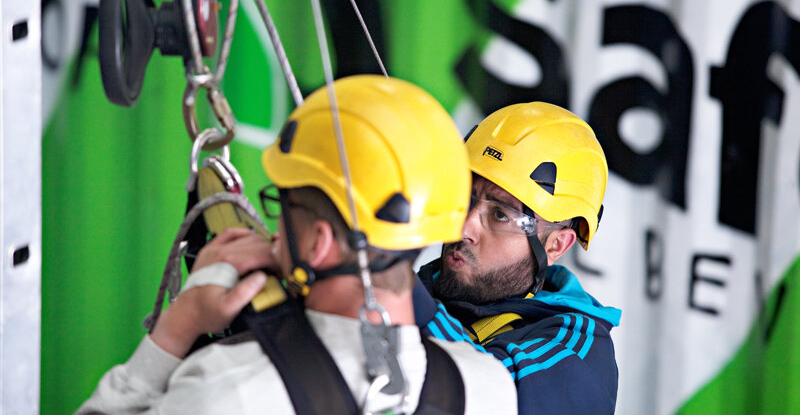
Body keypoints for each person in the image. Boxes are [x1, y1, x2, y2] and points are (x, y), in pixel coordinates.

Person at [77, 75, 517, 415]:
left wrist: (182, 320)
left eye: (282, 207)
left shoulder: (230, 389)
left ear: (319, 243)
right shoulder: (485, 387)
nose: (273, 232)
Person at [413, 102, 621, 414]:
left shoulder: (578, 356)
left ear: (556, 245)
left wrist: (397, 290)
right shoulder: (420, 293)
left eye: (499, 215)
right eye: (463, 198)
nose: (465, 227)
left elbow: (490, 396)